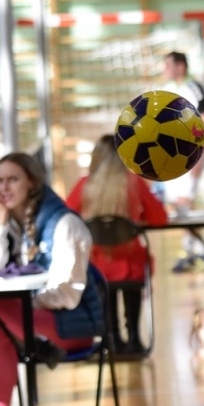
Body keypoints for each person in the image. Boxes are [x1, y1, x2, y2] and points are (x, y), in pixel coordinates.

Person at [0, 151, 106, 406]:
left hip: (72, 327)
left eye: (13, 179)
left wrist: (23, 302)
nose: (4, 187)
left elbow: (67, 294)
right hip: (31, 325)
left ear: (32, 183)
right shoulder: (5, 221)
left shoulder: (64, 223)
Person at [66, 134, 168, 357]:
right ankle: (134, 337)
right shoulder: (134, 183)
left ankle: (110, 337)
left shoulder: (85, 186)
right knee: (131, 277)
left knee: (105, 287)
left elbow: (66, 218)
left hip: (96, 267)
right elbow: (160, 218)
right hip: (131, 264)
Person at [159, 51, 204, 273]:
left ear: (180, 67)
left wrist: (202, 153)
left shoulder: (194, 88)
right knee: (178, 203)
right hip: (175, 155)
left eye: (168, 65)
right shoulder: (172, 91)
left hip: (191, 154)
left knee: (184, 202)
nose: (165, 70)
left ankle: (190, 251)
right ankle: (200, 249)